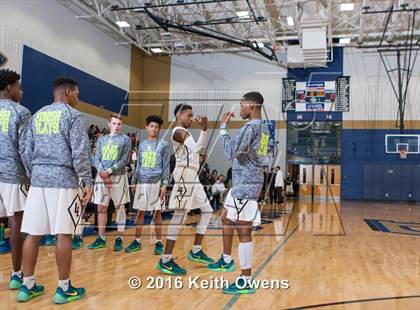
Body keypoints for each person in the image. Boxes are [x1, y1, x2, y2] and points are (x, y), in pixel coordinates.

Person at [19, 77, 93, 303]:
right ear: (68, 92)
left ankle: (27, 286)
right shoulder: (73, 116)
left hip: (39, 179)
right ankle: (63, 288)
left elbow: (25, 149)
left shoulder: (37, 115)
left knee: (33, 233)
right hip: (63, 180)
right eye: (77, 94)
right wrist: (87, 180)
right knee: (63, 233)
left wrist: (34, 173)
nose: (78, 99)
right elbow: (80, 152)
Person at [208, 91, 269, 295]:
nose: (240, 108)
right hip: (246, 181)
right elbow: (262, 158)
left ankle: (246, 279)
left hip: (246, 184)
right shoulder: (265, 128)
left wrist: (223, 129)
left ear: (251, 106)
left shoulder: (251, 127)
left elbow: (230, 152)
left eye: (242, 104)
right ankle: (226, 260)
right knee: (226, 217)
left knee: (244, 230)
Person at [157, 103, 214, 276]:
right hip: (183, 176)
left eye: (191, 115)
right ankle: (166, 260)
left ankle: (196, 250)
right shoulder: (178, 131)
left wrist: (203, 130)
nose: (191, 118)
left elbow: (200, 149)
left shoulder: (186, 133)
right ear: (178, 115)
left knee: (207, 210)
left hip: (192, 176)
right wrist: (204, 129)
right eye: (188, 115)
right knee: (180, 215)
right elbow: (198, 148)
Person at [0, 69, 31, 290]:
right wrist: (31, 175)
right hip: (13, 173)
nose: (21, 91)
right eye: (19, 87)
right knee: (16, 222)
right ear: (9, 87)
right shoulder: (20, 112)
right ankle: (17, 274)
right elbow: (26, 149)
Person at [126, 115, 170, 254]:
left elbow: (166, 166)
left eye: (156, 127)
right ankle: (137, 241)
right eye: (151, 126)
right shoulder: (142, 145)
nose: (154, 129)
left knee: (157, 214)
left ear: (159, 129)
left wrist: (164, 184)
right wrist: (134, 181)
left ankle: (158, 242)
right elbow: (138, 165)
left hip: (156, 182)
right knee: (140, 213)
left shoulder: (164, 145)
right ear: (146, 128)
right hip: (142, 182)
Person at [88, 114, 132, 251]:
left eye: (119, 124)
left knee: (119, 208)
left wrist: (109, 171)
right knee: (101, 207)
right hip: (102, 177)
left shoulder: (126, 139)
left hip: (118, 177)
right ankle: (101, 238)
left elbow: (124, 160)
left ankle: (120, 238)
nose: (116, 126)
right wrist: (102, 172)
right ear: (109, 124)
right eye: (114, 123)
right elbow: (96, 158)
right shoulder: (101, 140)